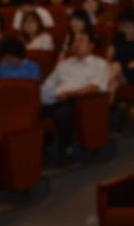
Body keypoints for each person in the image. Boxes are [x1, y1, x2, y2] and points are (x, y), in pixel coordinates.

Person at [40, 27, 112, 163]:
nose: (76, 43)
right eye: (75, 40)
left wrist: (69, 93)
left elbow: (95, 87)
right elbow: (48, 84)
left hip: (81, 102)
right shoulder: (64, 64)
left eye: (81, 40)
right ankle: (41, 150)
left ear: (91, 46)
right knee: (32, 112)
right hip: (57, 98)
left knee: (63, 112)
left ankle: (65, 151)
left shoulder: (99, 64)